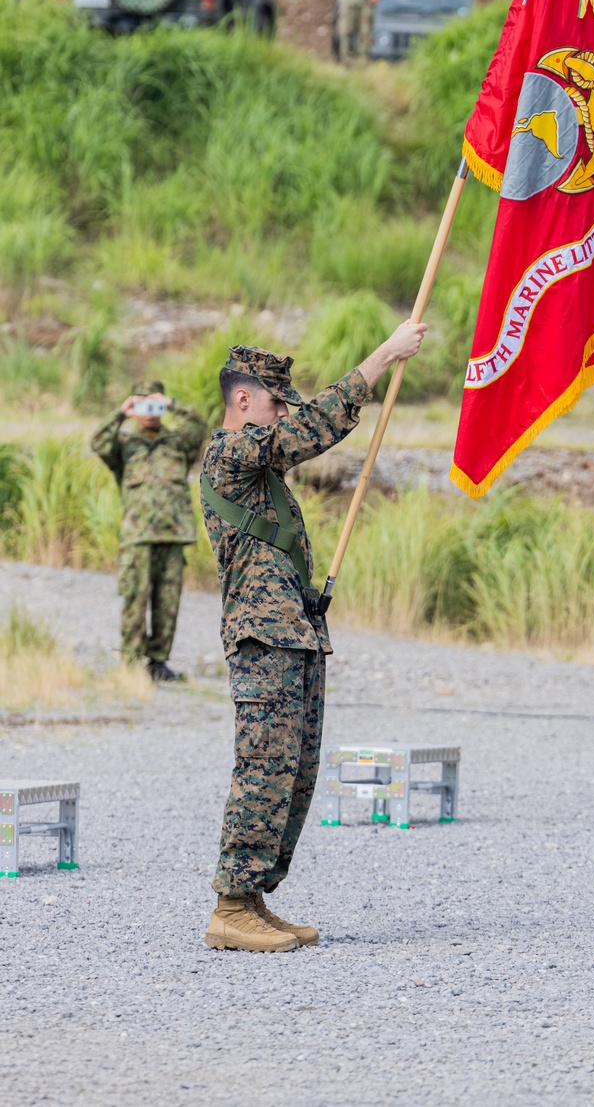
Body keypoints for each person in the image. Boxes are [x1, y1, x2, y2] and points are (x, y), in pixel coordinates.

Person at [201, 326, 426, 954]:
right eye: (275, 404)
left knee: (295, 772)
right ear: (244, 401)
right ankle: (229, 903)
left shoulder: (261, 466)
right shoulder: (229, 453)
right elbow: (310, 431)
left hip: (294, 636)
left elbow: (303, 431)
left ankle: (254, 898)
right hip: (262, 639)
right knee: (263, 768)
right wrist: (382, 356)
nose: (281, 415)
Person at [91, 383, 207, 681]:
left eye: (153, 404)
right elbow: (98, 443)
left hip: (173, 533)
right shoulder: (125, 444)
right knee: (135, 598)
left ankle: (157, 662)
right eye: (144, 404)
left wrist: (172, 403)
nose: (150, 411)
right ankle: (130, 663)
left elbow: (199, 427)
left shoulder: (178, 441)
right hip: (138, 535)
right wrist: (121, 414)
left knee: (167, 601)